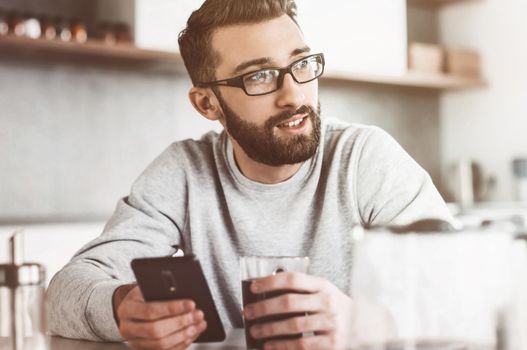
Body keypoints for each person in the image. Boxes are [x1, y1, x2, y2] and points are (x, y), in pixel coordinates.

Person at [47, 0, 453, 349]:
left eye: (300, 64)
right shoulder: (185, 172)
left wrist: (362, 324)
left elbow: (460, 288)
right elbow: (64, 292)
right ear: (207, 104)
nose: (294, 94)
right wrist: (121, 307)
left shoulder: (364, 157)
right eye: (259, 76)